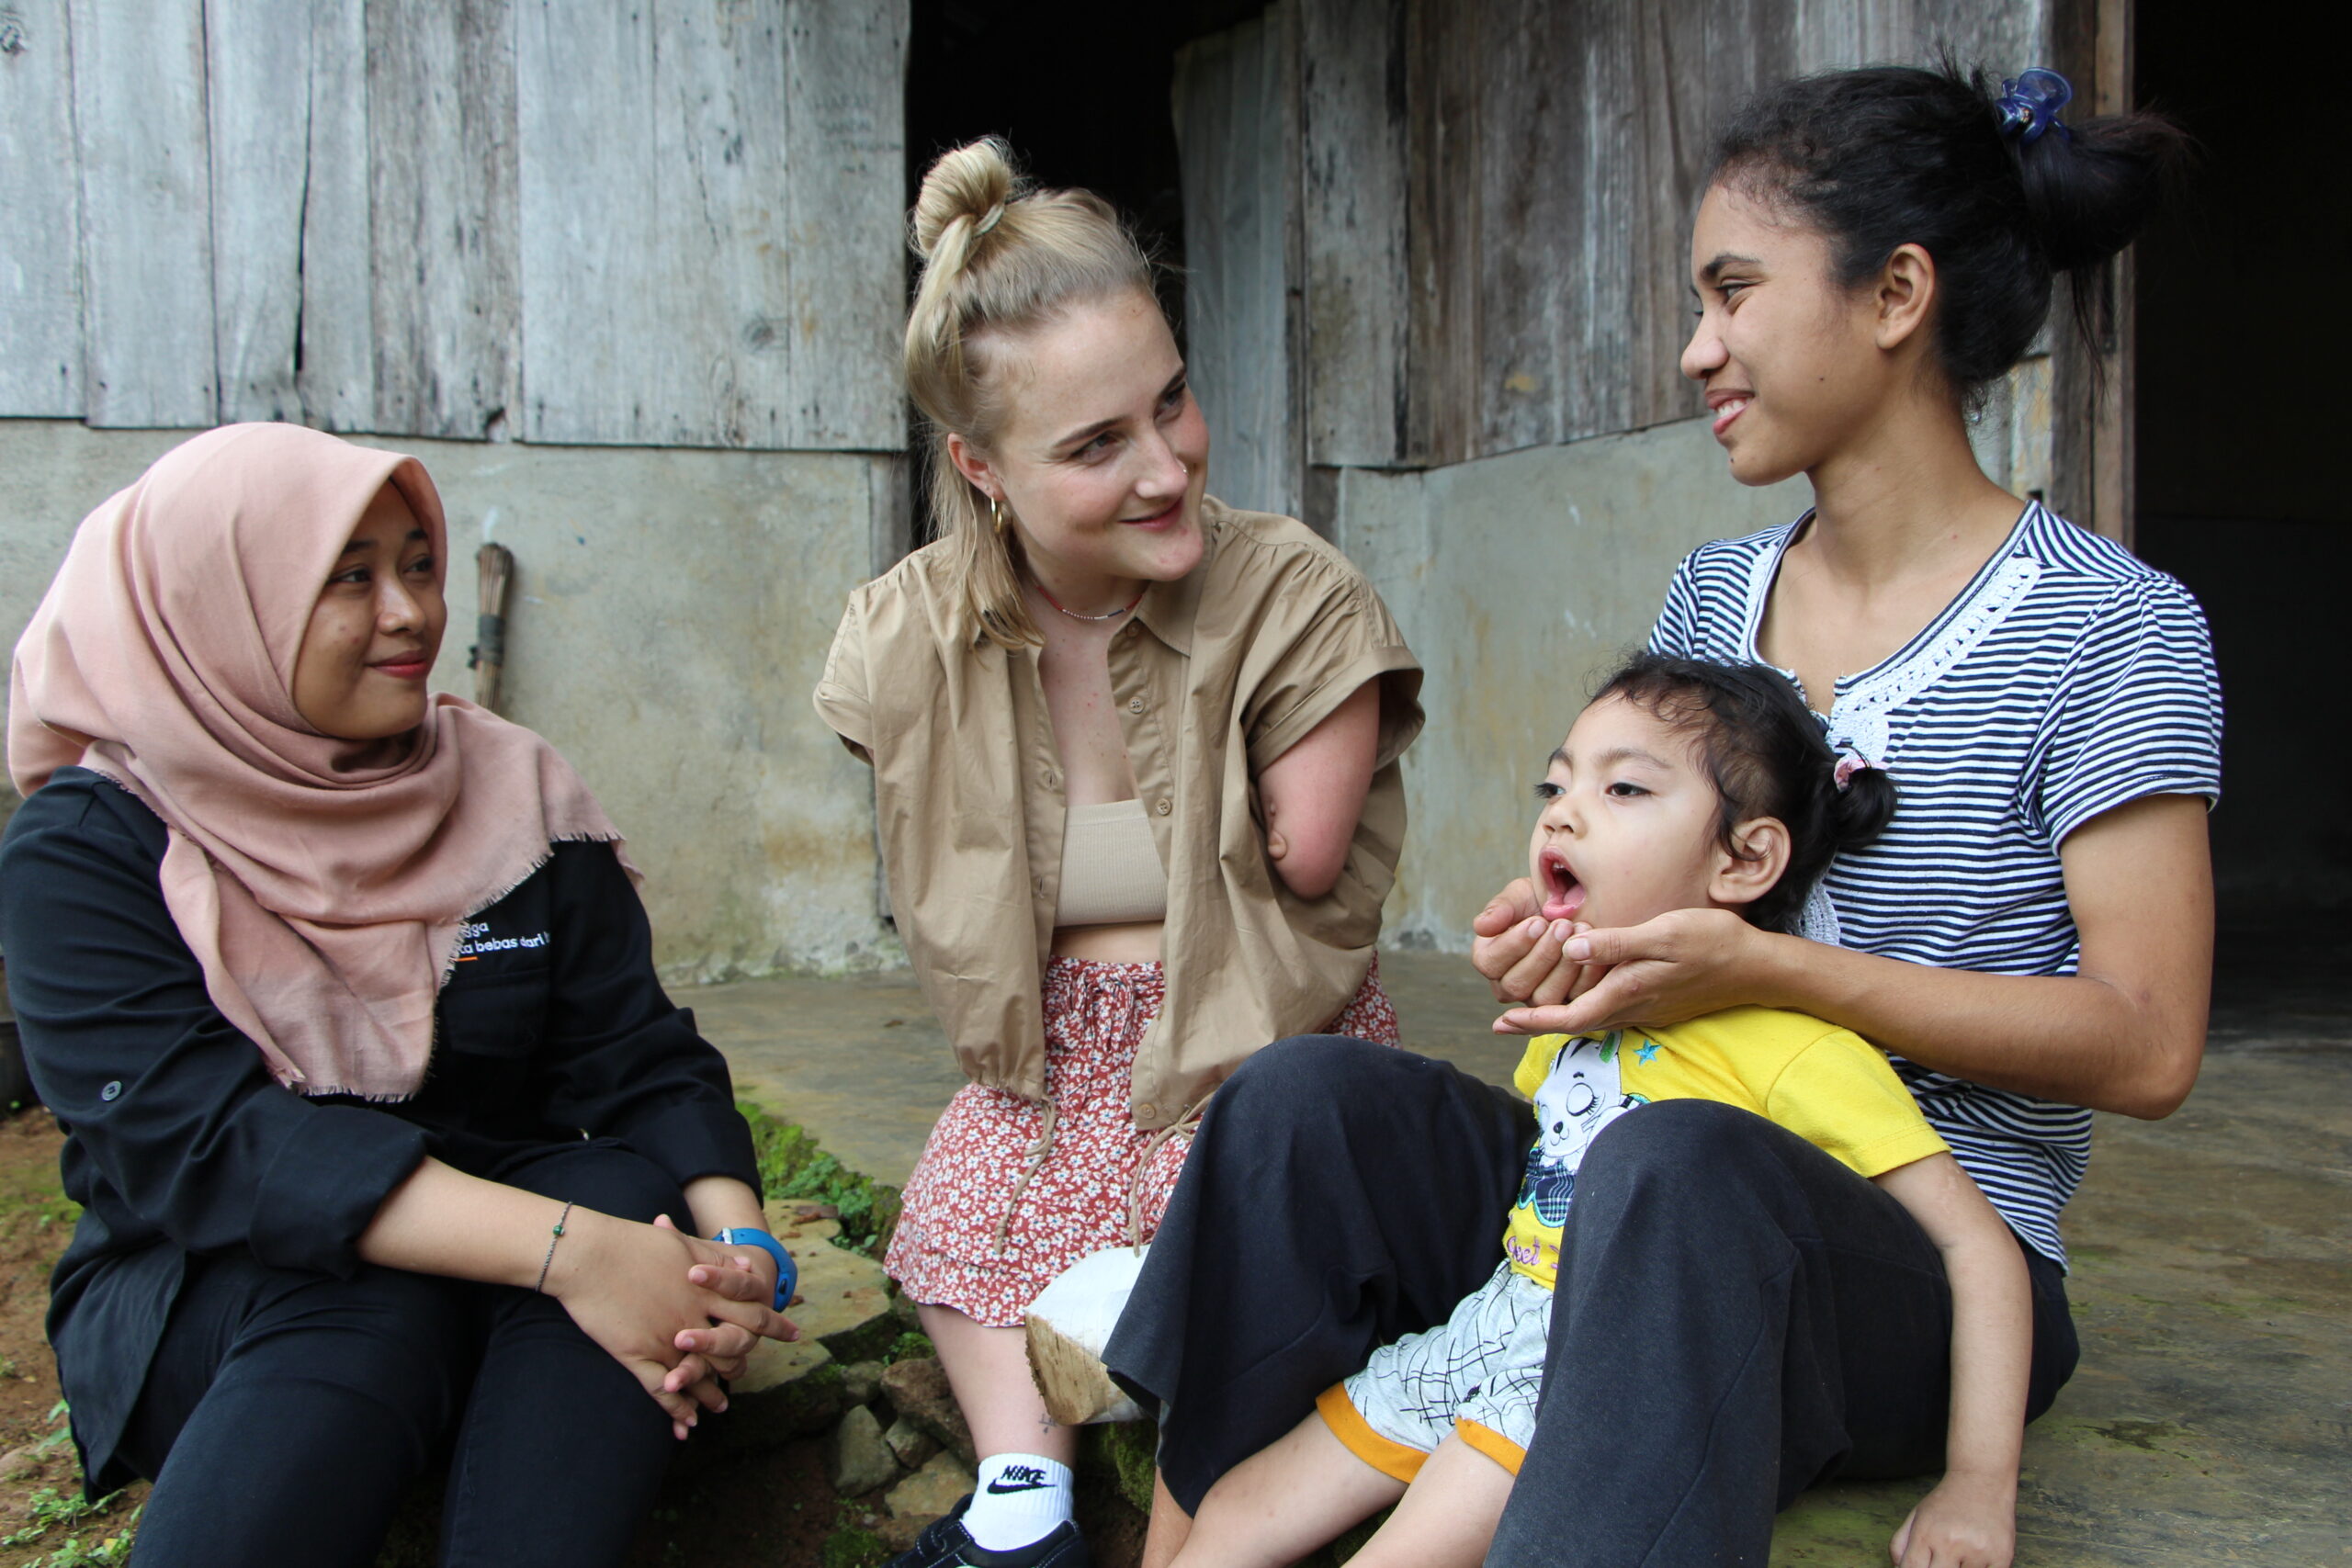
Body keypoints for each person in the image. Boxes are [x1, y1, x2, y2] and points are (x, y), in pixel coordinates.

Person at [1105, 62, 2216, 1568]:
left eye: (1734, 292)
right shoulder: (1717, 593)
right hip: (1617, 1188)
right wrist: (1564, 944)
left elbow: (2149, 1044)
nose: (1698, 349)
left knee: (1677, 1168)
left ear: (1896, 293)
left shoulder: (2110, 626)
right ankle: (1183, 1544)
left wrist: (1773, 973)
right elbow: (1659, 912)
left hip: (1918, 1262)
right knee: (1303, 1103)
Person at [1, 423, 798, 1568]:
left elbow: (636, 1053)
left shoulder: (510, 791)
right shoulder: (91, 846)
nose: (409, 612)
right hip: (213, 1285)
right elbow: (206, 1142)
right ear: (219, 605)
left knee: (631, 1197)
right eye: (349, 577)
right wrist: (573, 1252)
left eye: (419, 565)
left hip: (503, 1236)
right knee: (373, 1299)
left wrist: (735, 1255)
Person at [812, 139, 1422, 1568]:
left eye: (1172, 402)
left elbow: (1309, 868)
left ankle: (1170, 1427)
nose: (1166, 467)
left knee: (1227, 1222)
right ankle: (1022, 1500)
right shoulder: (906, 635)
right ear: (979, 466)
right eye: (1096, 446)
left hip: (1256, 1031)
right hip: (1048, 1047)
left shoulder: (1290, 591)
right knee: (958, 1212)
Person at [1170, 655, 2030, 1568]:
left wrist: (1976, 1485)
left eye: (1623, 789)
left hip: (1590, 1377)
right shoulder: (1581, 1025)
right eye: (1556, 784)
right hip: (1486, 1330)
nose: (1562, 812)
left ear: (1745, 859)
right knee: (1233, 1511)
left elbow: (1978, 1248)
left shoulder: (1798, 1049)